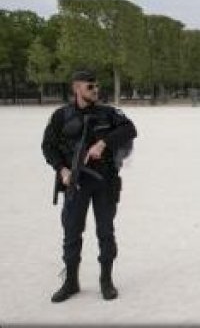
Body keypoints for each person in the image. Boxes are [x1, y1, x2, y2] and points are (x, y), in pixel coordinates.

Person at [41, 70, 137, 303]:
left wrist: (102, 143)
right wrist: (62, 170)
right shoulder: (61, 116)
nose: (95, 90)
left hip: (105, 182)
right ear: (76, 88)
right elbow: (48, 146)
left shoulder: (109, 113)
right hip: (75, 182)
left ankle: (106, 281)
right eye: (90, 87)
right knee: (71, 233)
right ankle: (71, 281)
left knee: (106, 232)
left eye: (96, 86)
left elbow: (130, 129)